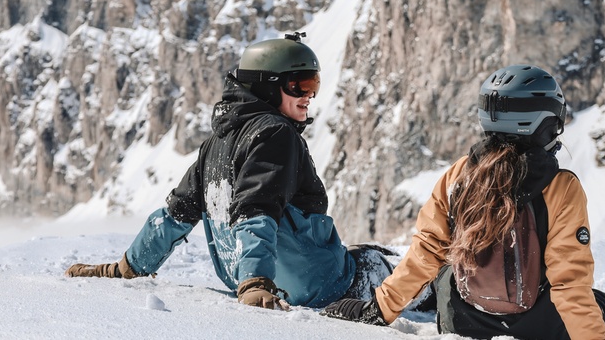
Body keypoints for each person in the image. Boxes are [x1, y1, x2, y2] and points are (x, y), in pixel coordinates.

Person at [322, 65, 605, 339]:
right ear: (542, 123)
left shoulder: (457, 176)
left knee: (444, 270)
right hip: (540, 325)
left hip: (463, 321)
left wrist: (378, 310)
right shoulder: (560, 187)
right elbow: (569, 287)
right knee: (603, 307)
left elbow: (423, 255)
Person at [65, 33, 392, 310]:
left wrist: (125, 268)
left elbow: (175, 215)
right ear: (268, 86)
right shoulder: (277, 134)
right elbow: (257, 207)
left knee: (365, 254)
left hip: (259, 279)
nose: (309, 96)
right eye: (299, 85)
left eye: (313, 85)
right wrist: (254, 282)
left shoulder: (216, 144)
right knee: (382, 267)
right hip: (319, 286)